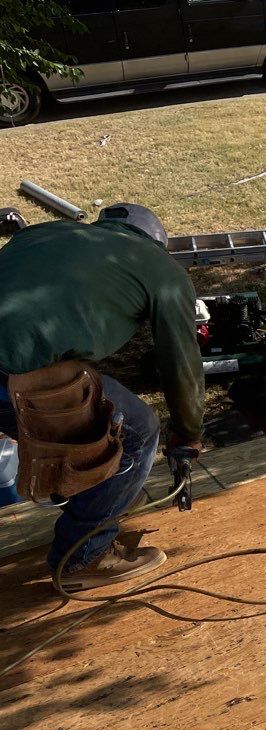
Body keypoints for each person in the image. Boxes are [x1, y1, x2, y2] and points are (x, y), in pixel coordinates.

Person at [0, 204, 204, 590]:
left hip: (12, 365)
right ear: (156, 244)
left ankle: (105, 497)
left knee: (88, 417)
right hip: (13, 371)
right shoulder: (162, 270)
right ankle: (85, 557)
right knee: (136, 433)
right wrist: (189, 431)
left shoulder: (45, 232)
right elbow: (181, 361)